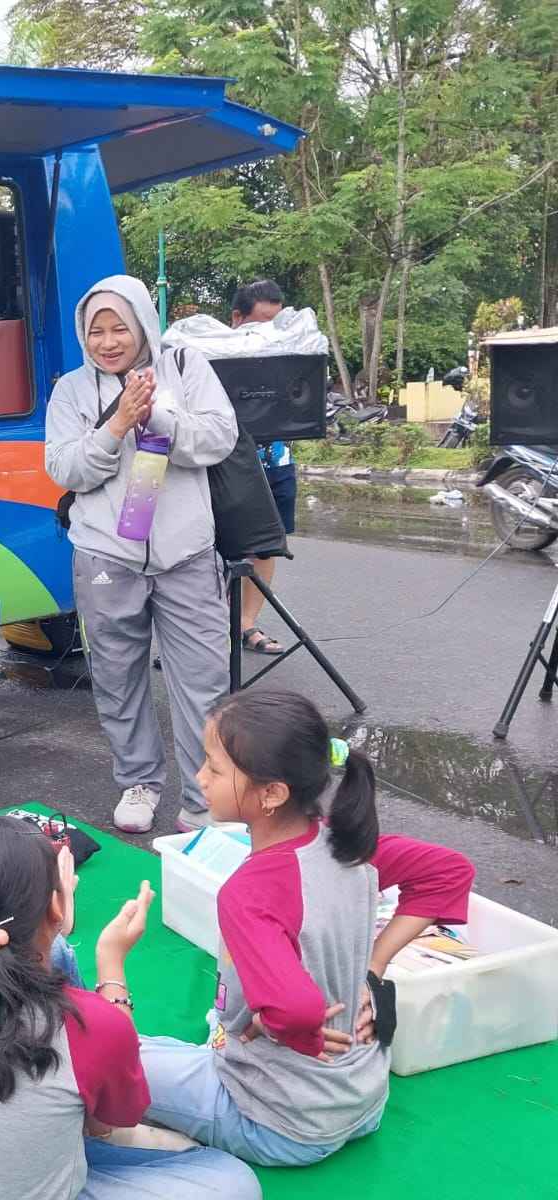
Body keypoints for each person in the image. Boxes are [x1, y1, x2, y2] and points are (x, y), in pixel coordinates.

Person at [139, 689, 476, 1166]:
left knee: (103, 1056)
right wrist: (372, 970)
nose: (199, 778)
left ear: (272, 793)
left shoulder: (249, 892)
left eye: (214, 768)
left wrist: (284, 1028)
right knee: (205, 1034)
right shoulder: (350, 845)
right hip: (362, 1103)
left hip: (280, 1124)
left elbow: (295, 1009)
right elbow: (451, 871)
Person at [0, 816, 263, 1200]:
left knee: (54, 956)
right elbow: (111, 1123)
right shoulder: (94, 1026)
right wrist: (111, 967)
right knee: (234, 1183)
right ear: (56, 908)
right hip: (27, 1177)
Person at [44, 275, 239, 835]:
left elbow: (219, 438)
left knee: (202, 678)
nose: (108, 341)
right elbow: (64, 469)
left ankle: (206, 796)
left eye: (119, 328)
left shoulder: (184, 367)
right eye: (96, 331)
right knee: (116, 674)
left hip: (187, 554)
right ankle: (139, 780)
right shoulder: (72, 391)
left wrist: (156, 416)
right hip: (107, 555)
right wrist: (117, 426)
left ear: (142, 325)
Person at [230, 280, 292, 656]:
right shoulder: (213, 354)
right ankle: (202, 632)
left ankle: (245, 625)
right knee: (214, 551)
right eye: (263, 322)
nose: (271, 332)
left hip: (279, 460)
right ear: (238, 318)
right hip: (230, 466)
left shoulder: (289, 351)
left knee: (268, 547)